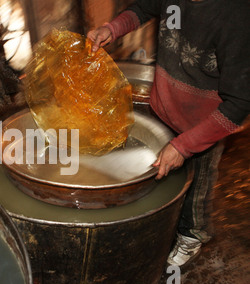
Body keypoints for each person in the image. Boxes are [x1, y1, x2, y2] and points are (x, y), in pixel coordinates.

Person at [87, 0, 250, 268]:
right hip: (163, 106)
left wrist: (184, 146)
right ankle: (166, 219)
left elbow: (239, 104)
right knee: (161, 175)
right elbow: (142, 9)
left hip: (202, 125)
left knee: (197, 188)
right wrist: (111, 29)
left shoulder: (237, 17)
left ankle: (193, 234)